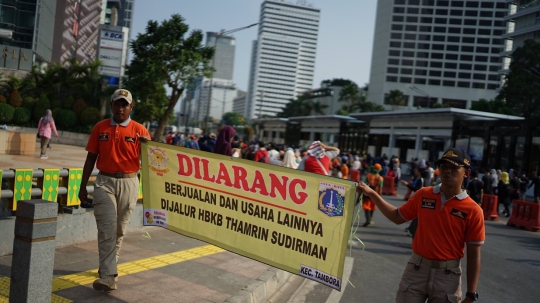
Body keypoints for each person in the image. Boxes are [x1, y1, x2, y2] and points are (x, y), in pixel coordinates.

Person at [356, 148, 484, 303]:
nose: (447, 172)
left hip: (448, 276)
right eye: (443, 167)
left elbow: (474, 254)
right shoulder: (424, 195)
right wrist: (372, 194)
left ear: (467, 173)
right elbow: (397, 216)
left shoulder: (473, 210)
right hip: (416, 270)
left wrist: (471, 294)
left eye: (454, 168)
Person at [78, 89, 151, 292]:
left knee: (119, 231)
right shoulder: (100, 128)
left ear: (131, 107)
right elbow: (91, 157)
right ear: (111, 106)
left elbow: (153, 163)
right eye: (117, 104)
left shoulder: (140, 131)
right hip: (104, 183)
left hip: (130, 182)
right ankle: (108, 276)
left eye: (124, 104)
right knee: (107, 228)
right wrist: (82, 185)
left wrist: (147, 149)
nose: (120, 108)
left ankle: (109, 267)